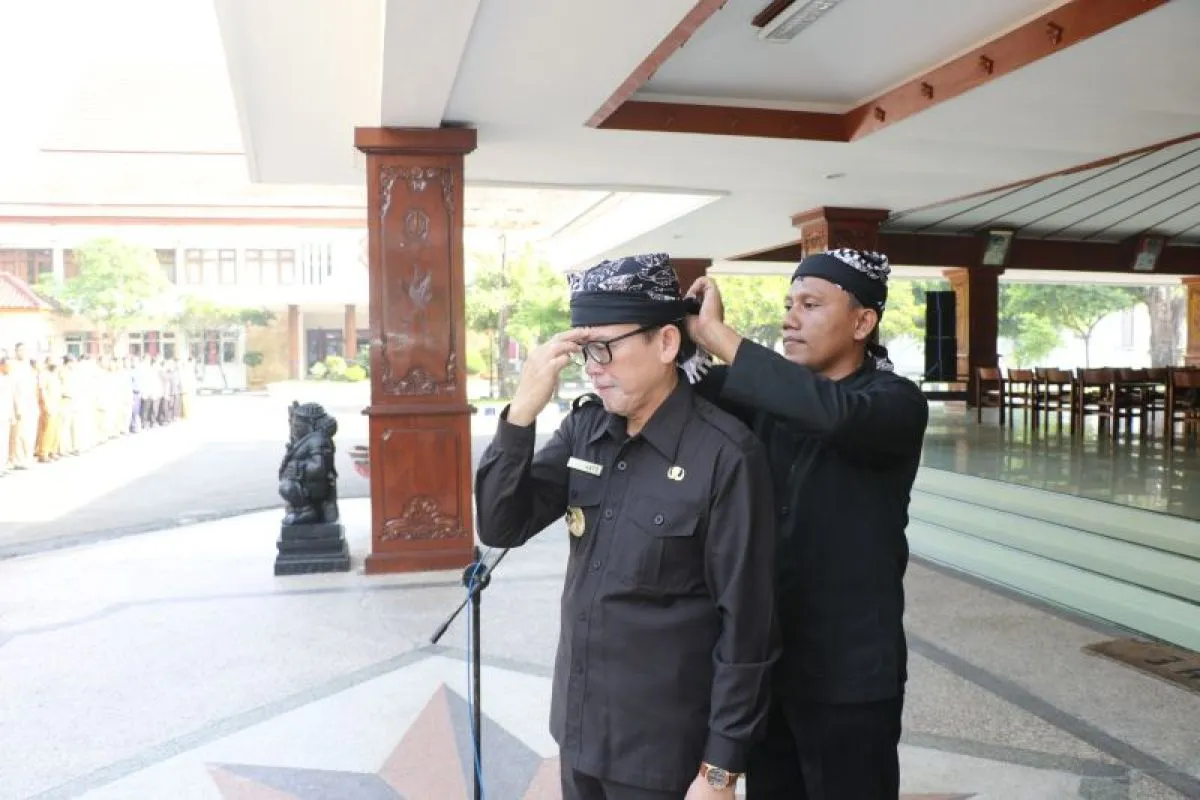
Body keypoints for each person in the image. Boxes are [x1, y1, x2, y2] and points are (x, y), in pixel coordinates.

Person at [475, 253, 778, 800]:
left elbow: (749, 626)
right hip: (580, 729)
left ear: (666, 344)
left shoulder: (726, 455)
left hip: (664, 751)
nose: (592, 366)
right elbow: (501, 524)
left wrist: (720, 771)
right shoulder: (586, 429)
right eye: (582, 349)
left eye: (605, 348)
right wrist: (522, 410)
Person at [685, 248, 929, 800]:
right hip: (768, 664)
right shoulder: (768, 399)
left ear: (863, 322)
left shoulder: (894, 403)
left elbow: (830, 414)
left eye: (811, 304)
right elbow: (682, 396)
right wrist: (674, 335)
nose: (789, 318)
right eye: (788, 303)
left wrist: (717, 333)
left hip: (850, 672)